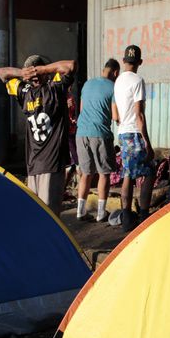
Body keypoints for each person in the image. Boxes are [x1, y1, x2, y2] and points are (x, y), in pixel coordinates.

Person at [0, 55, 77, 216]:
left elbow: (2, 73)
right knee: (49, 216)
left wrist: (23, 73)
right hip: (50, 165)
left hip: (34, 165)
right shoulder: (54, 88)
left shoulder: (24, 92)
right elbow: (70, 65)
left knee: (38, 214)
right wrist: (33, 71)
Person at [114, 44, 155, 230]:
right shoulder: (138, 80)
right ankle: (144, 216)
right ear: (140, 62)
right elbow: (139, 114)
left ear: (124, 61)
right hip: (134, 133)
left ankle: (126, 218)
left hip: (122, 133)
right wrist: (147, 141)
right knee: (149, 172)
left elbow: (114, 111)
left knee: (128, 176)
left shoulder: (118, 80)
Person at [75, 59, 120, 222]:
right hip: (100, 134)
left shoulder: (87, 84)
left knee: (86, 173)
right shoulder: (113, 87)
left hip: (81, 133)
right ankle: (101, 212)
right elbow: (115, 116)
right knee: (104, 173)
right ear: (115, 73)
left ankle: (80, 211)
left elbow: (81, 110)